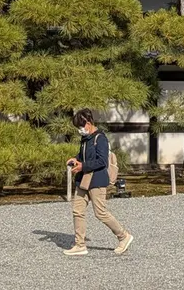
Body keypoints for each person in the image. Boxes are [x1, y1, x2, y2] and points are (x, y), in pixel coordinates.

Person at [64, 109, 132, 256]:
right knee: (78, 210)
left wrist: (83, 166)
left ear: (88, 123)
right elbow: (84, 155)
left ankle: (123, 236)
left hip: (97, 180)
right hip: (83, 180)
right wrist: (76, 159)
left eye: (81, 127)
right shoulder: (86, 138)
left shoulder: (100, 138)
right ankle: (80, 244)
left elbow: (102, 161)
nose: (80, 130)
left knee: (100, 212)